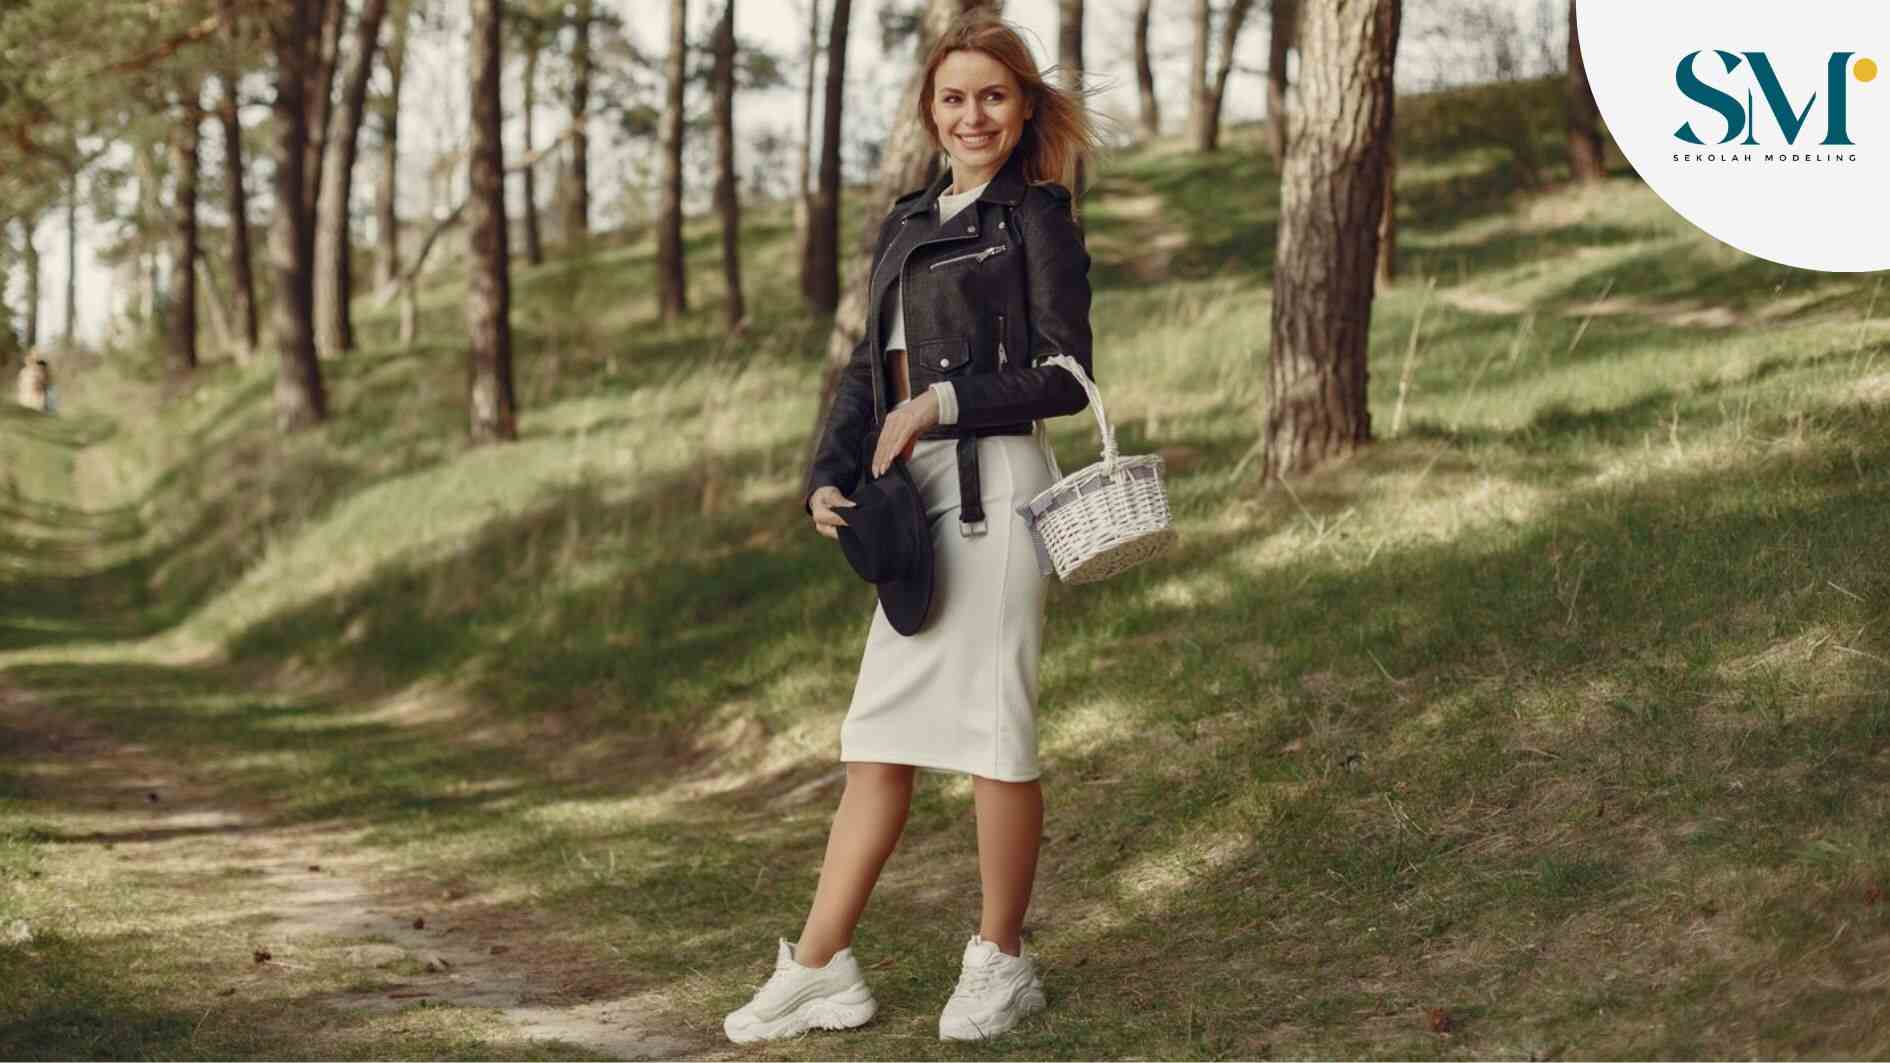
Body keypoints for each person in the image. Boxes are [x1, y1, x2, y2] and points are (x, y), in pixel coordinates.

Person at [724, 10, 1100, 1046]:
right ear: (930, 114)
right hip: (911, 501)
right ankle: (818, 968)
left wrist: (943, 404)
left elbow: (1068, 377)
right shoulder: (907, 219)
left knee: (994, 736)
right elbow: (864, 369)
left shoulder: (1038, 217)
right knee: (877, 741)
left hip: (998, 488)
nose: (972, 113)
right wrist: (825, 474)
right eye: (953, 97)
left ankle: (1003, 959)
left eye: (992, 94)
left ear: (1022, 108)